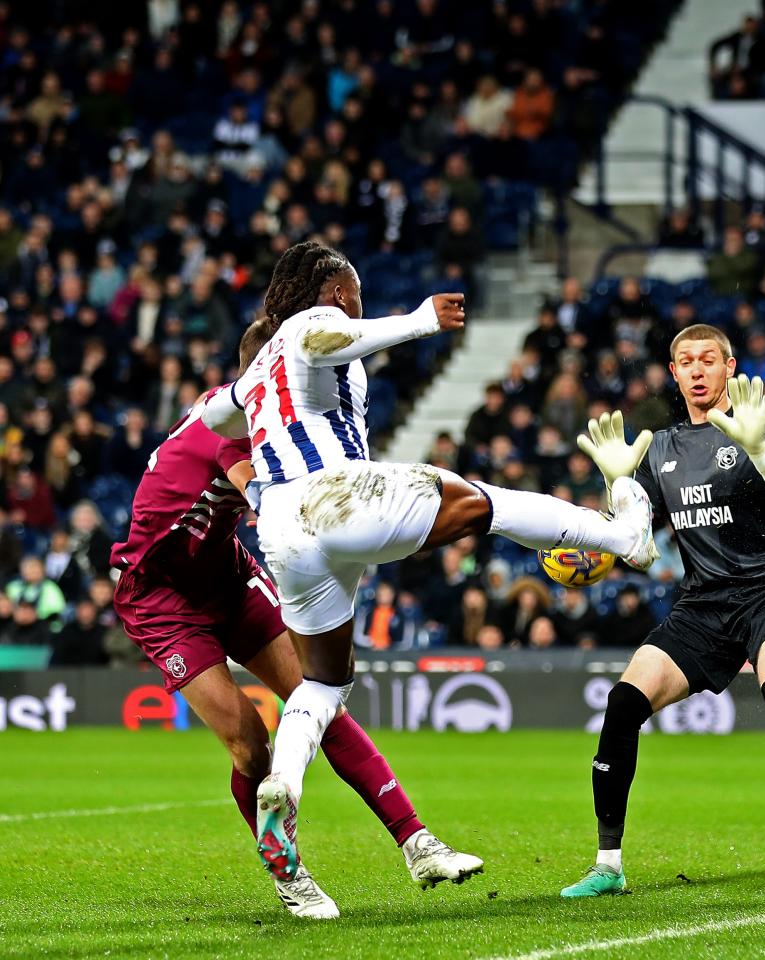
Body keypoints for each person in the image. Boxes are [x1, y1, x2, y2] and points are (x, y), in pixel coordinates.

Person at [201, 240, 657, 885]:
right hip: (334, 496)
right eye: (353, 292)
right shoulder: (308, 322)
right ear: (335, 291)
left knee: (327, 682)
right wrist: (419, 321)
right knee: (479, 503)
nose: (357, 305)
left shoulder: (251, 378)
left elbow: (208, 416)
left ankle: (285, 782)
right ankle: (622, 536)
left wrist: (214, 443)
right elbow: (324, 337)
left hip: (281, 529)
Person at [113, 325, 473, 920]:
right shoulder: (230, 424)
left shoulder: (261, 418)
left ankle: (418, 844)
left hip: (226, 575)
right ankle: (290, 876)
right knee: (250, 745)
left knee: (321, 697)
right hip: (161, 597)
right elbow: (264, 497)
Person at [561, 324, 765, 903]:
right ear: (673, 373)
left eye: (708, 360)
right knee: (623, 704)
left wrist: (761, 452)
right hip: (703, 604)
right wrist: (616, 483)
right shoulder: (663, 447)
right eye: (685, 362)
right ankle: (607, 865)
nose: (697, 370)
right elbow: (632, 536)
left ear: (729, 366)